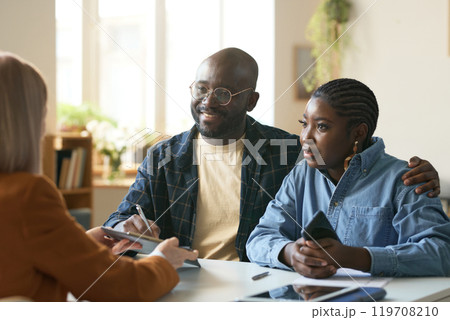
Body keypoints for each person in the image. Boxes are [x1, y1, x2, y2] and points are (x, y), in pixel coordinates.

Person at [104, 47, 441, 262]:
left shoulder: (292, 152)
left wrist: (419, 175)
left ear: (251, 101)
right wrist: (126, 225)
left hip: (258, 287)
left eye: (223, 93)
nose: (208, 101)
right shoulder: (165, 157)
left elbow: (355, 162)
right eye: (201, 89)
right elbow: (115, 224)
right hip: (183, 281)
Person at [0, 51, 198, 302]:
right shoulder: (28, 195)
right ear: (28, 122)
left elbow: (16, 250)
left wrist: (83, 243)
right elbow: (116, 287)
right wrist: (163, 262)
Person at [246, 78, 450, 277]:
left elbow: (441, 253)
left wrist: (358, 258)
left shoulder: (405, 181)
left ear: (358, 133)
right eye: (304, 123)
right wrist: (289, 253)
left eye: (322, 126)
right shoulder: (301, 175)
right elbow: (259, 239)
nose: (306, 137)